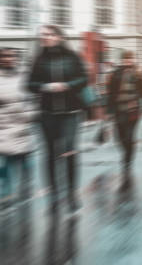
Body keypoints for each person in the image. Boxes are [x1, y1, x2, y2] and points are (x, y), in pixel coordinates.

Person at [27, 25, 88, 212]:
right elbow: (30, 84)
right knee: (51, 155)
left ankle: (71, 194)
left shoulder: (72, 56)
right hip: (48, 114)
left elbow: (84, 79)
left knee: (69, 152)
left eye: (48, 34)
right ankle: (53, 196)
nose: (44, 37)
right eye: (42, 35)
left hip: (70, 114)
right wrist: (46, 87)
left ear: (59, 36)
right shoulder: (38, 59)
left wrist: (67, 85)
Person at [108, 51, 142, 176]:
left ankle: (127, 160)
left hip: (133, 110)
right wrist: (109, 111)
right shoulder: (116, 73)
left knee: (129, 136)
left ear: (133, 60)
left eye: (130, 59)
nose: (128, 61)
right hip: (119, 109)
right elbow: (111, 93)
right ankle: (126, 152)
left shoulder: (139, 74)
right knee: (119, 137)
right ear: (122, 60)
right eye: (126, 59)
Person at [0, 48, 36, 208]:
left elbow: (33, 97)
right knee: (4, 160)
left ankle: (26, 185)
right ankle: (6, 193)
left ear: (16, 58)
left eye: (11, 56)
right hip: (4, 124)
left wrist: (30, 114)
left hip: (22, 122)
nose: (8, 58)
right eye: (5, 56)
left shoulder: (24, 76)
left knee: (24, 156)